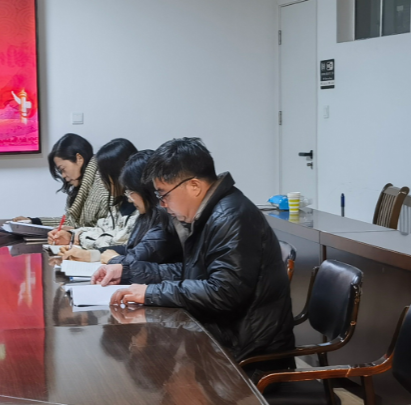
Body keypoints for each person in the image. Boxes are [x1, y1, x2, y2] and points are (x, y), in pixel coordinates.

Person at [108, 138, 296, 361]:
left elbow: (223, 292)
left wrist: (151, 292)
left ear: (194, 186)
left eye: (164, 194)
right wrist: (130, 272)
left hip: (245, 351)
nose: (162, 204)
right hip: (224, 335)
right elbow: (193, 272)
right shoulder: (209, 213)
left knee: (152, 358)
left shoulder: (230, 217)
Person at [86, 150, 184, 283]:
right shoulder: (147, 216)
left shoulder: (165, 220)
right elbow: (131, 249)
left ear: (145, 189)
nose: (129, 199)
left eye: (130, 192)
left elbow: (134, 261)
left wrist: (114, 259)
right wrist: (93, 254)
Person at [55, 139, 141, 256]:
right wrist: (72, 235)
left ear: (119, 174)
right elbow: (101, 228)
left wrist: (79, 237)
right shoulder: (119, 202)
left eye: (104, 176)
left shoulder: (139, 206)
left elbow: (115, 242)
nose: (102, 182)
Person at [15, 133, 112, 236]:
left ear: (79, 158)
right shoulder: (82, 186)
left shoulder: (103, 185)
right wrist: (33, 222)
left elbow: (108, 231)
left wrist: (73, 232)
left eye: (62, 169)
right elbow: (70, 221)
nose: (63, 175)